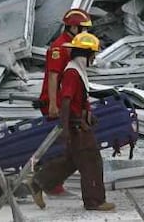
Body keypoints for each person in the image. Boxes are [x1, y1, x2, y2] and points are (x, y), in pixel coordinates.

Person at [31, 32, 115, 212]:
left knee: (72, 160)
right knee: (91, 160)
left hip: (77, 122)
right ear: (88, 54)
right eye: (94, 54)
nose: (94, 58)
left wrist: (88, 114)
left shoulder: (76, 70)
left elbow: (79, 99)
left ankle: (39, 181)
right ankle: (94, 201)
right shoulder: (72, 72)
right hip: (76, 125)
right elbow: (66, 100)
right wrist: (66, 127)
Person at [37, 8, 92, 196]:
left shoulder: (72, 44)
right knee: (62, 142)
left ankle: (51, 182)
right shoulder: (59, 47)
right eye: (83, 28)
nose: (85, 32)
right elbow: (53, 76)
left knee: (68, 143)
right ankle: (50, 184)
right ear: (73, 27)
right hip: (56, 101)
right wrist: (52, 104)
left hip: (65, 99)